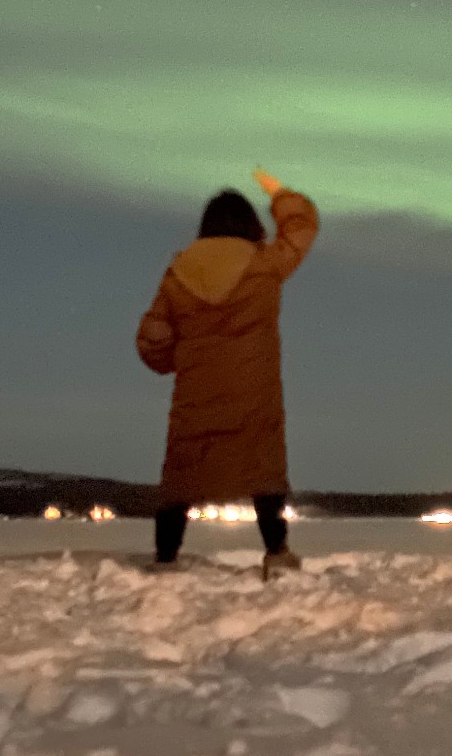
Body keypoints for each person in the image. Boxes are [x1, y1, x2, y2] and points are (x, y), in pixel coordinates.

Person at [136, 168, 319, 577]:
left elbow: (151, 340)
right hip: (255, 392)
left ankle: (166, 559)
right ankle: (277, 553)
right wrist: (279, 192)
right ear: (248, 224)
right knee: (263, 469)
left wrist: (179, 359)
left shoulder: (179, 273)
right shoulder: (264, 265)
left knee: (182, 474)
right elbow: (302, 228)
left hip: (196, 394)